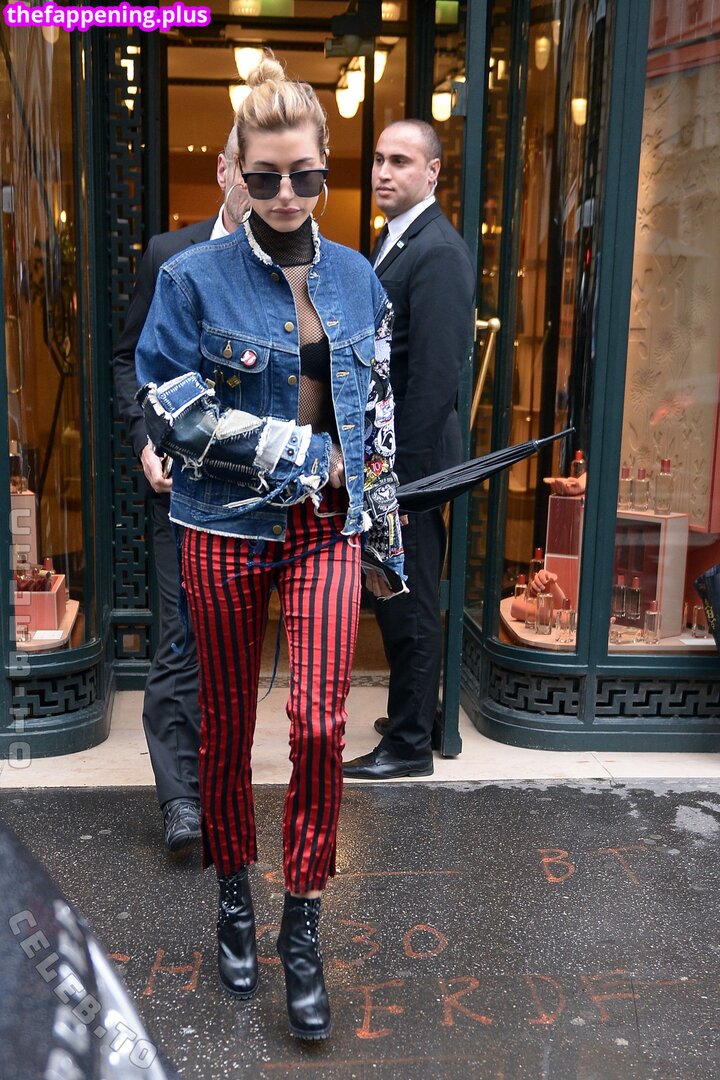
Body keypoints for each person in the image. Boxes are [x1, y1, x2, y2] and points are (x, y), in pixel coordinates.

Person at [134, 54, 404, 1041]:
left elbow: (376, 421)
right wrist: (299, 449)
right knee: (225, 726)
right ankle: (232, 898)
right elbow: (171, 409)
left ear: (326, 165)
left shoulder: (361, 277)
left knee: (322, 726)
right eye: (265, 176)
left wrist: (384, 537)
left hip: (325, 531)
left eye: (305, 175)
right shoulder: (191, 277)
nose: (286, 194)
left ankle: (301, 920)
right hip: (221, 524)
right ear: (236, 171)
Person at [112, 128, 249, 854]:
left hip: (252, 492)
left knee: (232, 643)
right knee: (180, 636)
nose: (268, 187)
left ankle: (220, 783)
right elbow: (126, 361)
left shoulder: (292, 266)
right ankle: (180, 800)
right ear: (224, 170)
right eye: (253, 169)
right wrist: (144, 441)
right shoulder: (170, 254)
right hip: (178, 487)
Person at [343, 119, 475, 781]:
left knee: (410, 600)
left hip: (410, 465)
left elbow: (433, 375)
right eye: (378, 159)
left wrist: (402, 482)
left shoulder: (439, 251)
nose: (384, 172)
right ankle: (412, 716)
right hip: (387, 460)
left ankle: (409, 746)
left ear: (432, 172)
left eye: (400, 160)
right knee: (394, 596)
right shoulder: (394, 238)